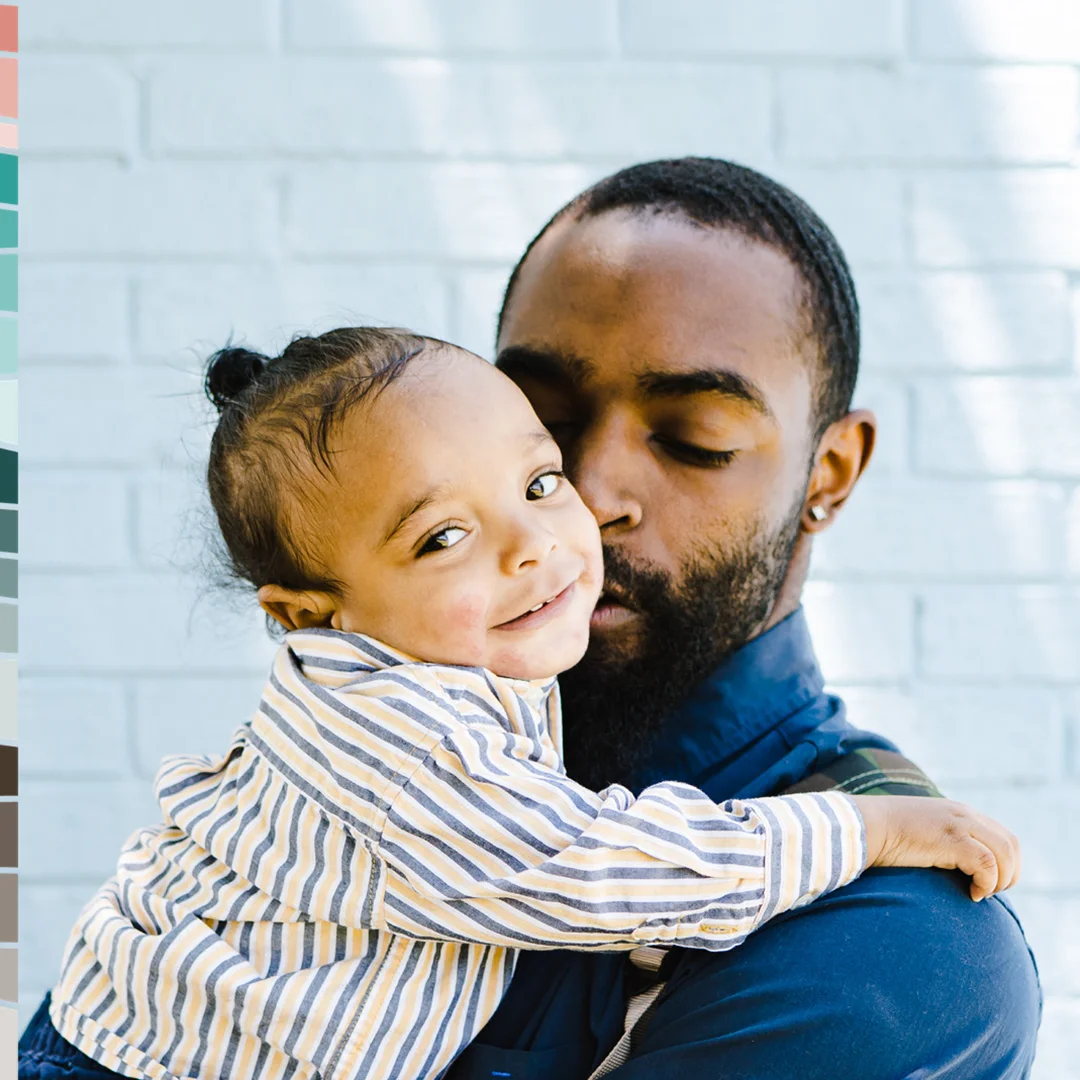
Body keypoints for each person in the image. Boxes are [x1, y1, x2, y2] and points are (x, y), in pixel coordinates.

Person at [18, 328, 1018, 1080]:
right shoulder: (402, 739)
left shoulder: (449, 672)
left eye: (540, 481)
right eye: (442, 538)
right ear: (312, 615)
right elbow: (598, 871)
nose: (537, 541)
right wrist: (863, 831)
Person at [442, 157, 1043, 1079]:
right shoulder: (383, 764)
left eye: (696, 440)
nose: (589, 492)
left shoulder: (898, 950)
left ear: (829, 474)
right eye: (544, 422)